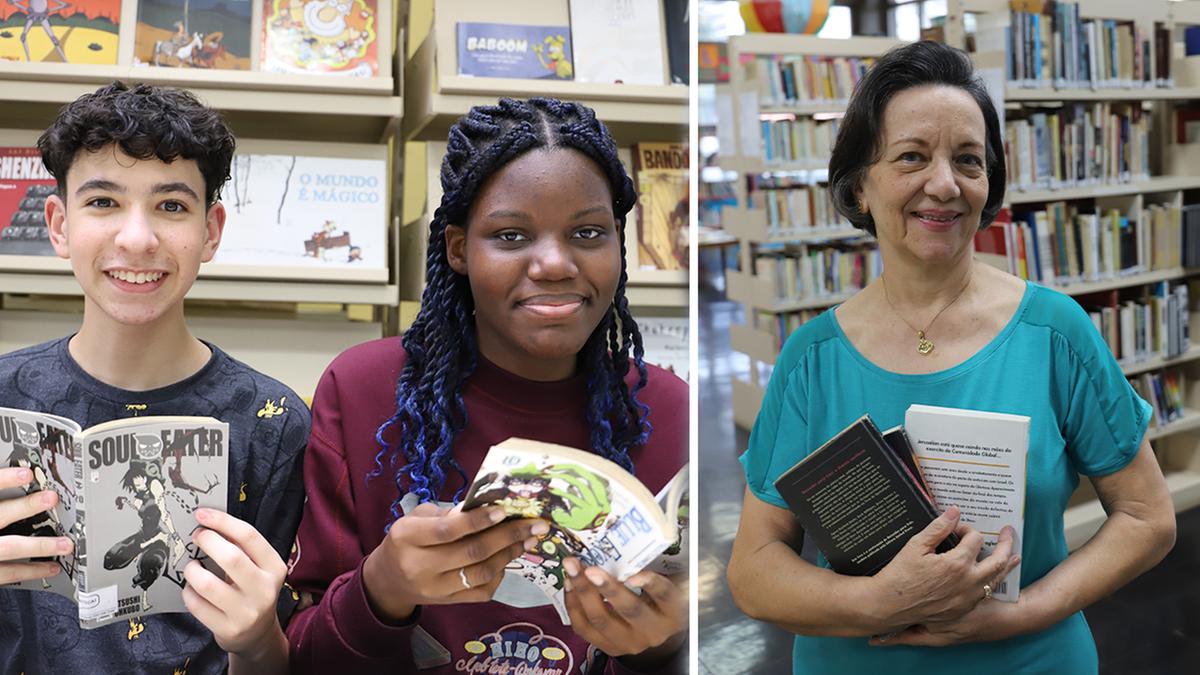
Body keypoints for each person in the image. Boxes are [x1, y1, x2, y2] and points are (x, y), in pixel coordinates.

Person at [727, 41, 1177, 674]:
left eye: (968, 160)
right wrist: (882, 600)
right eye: (912, 157)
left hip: (1029, 658)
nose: (944, 184)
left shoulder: (1055, 332)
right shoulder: (811, 359)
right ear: (859, 187)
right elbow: (753, 569)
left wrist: (1024, 611)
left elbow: (1146, 517)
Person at [284, 97, 688, 674]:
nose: (554, 264)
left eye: (589, 232)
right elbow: (298, 652)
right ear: (458, 249)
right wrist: (383, 588)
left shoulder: (671, 411)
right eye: (511, 236)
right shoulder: (361, 390)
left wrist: (662, 646)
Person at [0, 82, 309, 674]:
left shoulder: (273, 421)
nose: (137, 239)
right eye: (103, 203)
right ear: (59, 225)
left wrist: (256, 637)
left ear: (211, 231)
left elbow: (277, 659)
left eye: (171, 206)